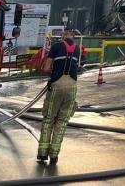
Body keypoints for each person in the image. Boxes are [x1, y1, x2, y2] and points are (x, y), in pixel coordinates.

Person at [37, 25, 81, 164]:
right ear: (73, 35)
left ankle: (43, 153)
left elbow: (46, 68)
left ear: (64, 34)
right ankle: (54, 155)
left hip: (56, 86)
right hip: (71, 87)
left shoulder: (56, 47)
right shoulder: (77, 48)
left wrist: (50, 74)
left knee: (49, 119)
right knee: (62, 122)